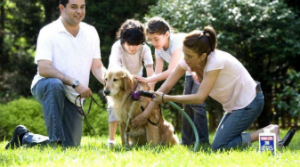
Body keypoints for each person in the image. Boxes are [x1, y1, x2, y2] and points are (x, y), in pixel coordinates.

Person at [149, 26, 285, 151]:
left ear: (202, 56)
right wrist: (145, 114)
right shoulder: (190, 61)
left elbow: (199, 97)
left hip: (250, 103)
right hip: (234, 107)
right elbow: (166, 86)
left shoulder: (215, 61)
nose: (185, 59)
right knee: (221, 143)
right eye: (184, 54)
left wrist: (167, 98)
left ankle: (268, 132)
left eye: (189, 56)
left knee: (219, 146)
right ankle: (269, 135)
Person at [5, 0, 106, 149]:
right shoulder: (48, 32)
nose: (79, 11)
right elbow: (43, 69)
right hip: (46, 86)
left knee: (70, 146)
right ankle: (55, 143)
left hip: (74, 97)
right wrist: (74, 82)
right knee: (54, 84)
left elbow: (97, 66)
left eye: (82, 6)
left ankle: (24, 137)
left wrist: (111, 82)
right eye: (74, 6)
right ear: (62, 8)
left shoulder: (91, 32)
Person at [134, 17, 209, 145]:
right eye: (151, 40)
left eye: (156, 39)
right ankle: (186, 142)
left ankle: (202, 142)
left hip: (202, 68)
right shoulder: (159, 49)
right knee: (187, 106)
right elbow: (157, 74)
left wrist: (147, 79)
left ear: (166, 34)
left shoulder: (177, 42)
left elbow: (171, 71)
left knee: (198, 105)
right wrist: (148, 91)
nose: (154, 42)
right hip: (188, 70)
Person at [107, 19, 154, 147]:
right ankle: (111, 140)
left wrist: (150, 91)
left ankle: (140, 139)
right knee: (114, 109)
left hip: (138, 82)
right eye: (129, 44)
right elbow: (115, 69)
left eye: (136, 44)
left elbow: (151, 73)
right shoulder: (117, 47)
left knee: (137, 110)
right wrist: (125, 81)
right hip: (119, 81)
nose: (133, 47)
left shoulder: (145, 49)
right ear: (123, 40)